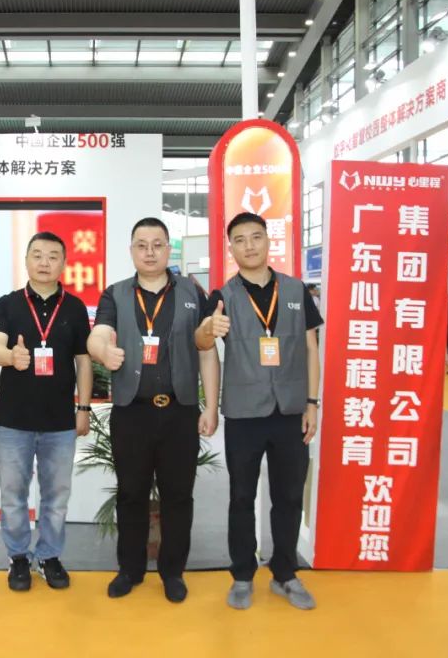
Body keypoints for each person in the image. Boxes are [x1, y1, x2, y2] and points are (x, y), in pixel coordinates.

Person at [86, 217, 220, 604]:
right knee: (131, 493)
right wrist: (103, 351)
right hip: (132, 412)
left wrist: (211, 406)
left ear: (168, 249)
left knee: (179, 495)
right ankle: (130, 569)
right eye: (141, 245)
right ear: (131, 250)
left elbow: (206, 350)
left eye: (157, 244)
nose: (149, 252)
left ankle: (173, 571)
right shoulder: (115, 294)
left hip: (179, 411)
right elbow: (98, 334)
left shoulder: (192, 292)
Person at [195, 212, 322, 612]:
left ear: (268, 241)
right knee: (241, 497)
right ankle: (242, 575)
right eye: (240, 239)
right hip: (244, 415)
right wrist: (208, 329)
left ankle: (285, 573)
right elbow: (202, 342)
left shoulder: (296, 290)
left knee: (289, 496)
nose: (249, 246)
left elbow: (311, 349)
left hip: (290, 411)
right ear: (230, 248)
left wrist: (312, 403)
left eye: (255, 237)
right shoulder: (223, 296)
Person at [0, 232, 92, 592]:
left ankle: (49, 555)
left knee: (56, 496)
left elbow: (83, 361)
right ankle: (18, 556)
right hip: (13, 420)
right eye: (37, 255)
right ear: (26, 260)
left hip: (60, 421)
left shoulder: (75, 307)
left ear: (64, 263)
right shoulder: (7, 304)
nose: (44, 262)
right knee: (12, 494)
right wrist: (10, 357)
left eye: (52, 256)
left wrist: (83, 407)